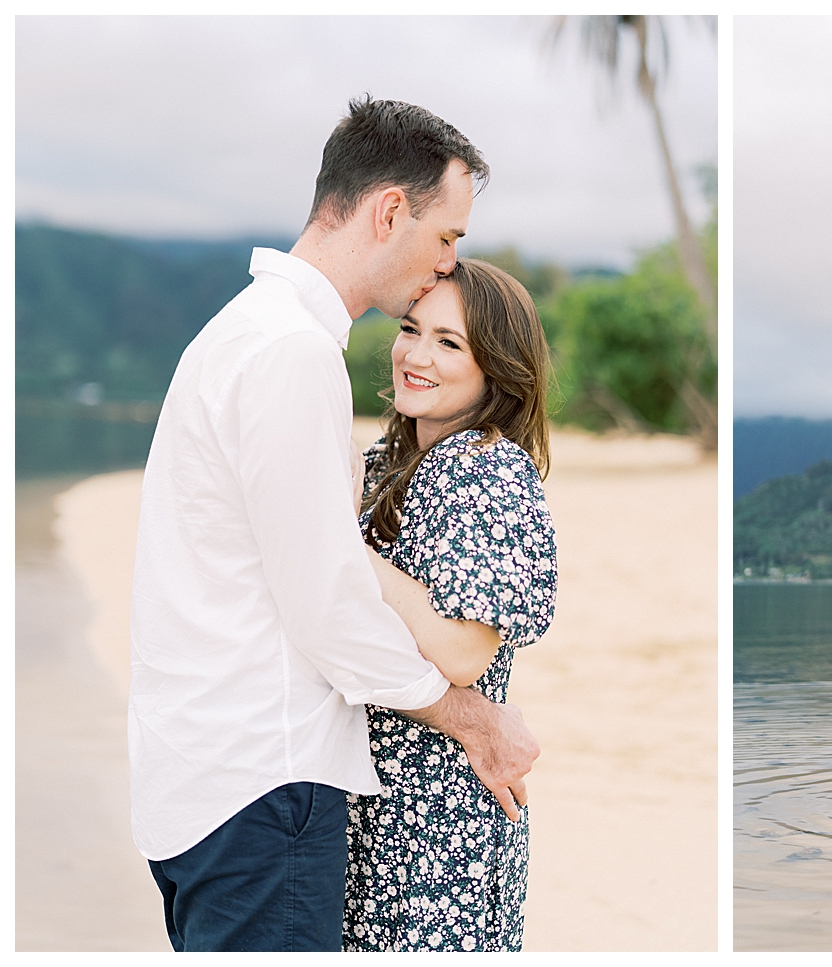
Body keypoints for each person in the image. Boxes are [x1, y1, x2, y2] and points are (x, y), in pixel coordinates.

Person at [129, 97, 539, 952]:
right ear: (391, 211)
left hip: (209, 777)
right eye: (445, 239)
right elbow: (325, 603)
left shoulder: (241, 332)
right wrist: (469, 718)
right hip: (262, 783)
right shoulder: (292, 352)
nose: (444, 264)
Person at [342, 259, 556, 952]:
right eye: (410, 329)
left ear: (496, 370)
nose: (416, 354)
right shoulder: (397, 462)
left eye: (449, 343)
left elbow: (464, 650)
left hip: (436, 815)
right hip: (380, 801)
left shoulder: (483, 467)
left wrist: (349, 554)